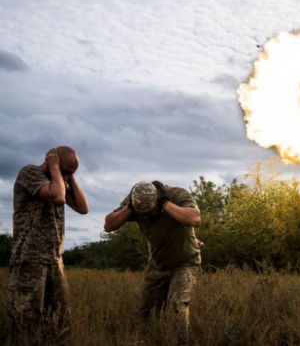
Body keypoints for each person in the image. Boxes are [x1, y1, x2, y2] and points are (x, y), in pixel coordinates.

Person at [4, 146, 89, 342]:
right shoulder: (30, 173)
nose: (66, 176)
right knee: (26, 320)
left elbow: (83, 208)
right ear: (53, 163)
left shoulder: (59, 181)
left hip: (54, 260)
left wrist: (69, 177)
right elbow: (57, 197)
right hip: (30, 259)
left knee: (59, 320)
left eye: (72, 172)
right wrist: (56, 169)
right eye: (65, 171)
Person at [104, 180, 201, 345]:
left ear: (158, 200)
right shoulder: (134, 200)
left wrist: (166, 205)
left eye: (150, 211)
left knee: (177, 307)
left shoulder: (177, 195)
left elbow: (195, 219)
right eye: (143, 213)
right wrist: (130, 208)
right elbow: (108, 225)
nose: (147, 216)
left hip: (185, 262)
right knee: (147, 313)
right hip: (157, 265)